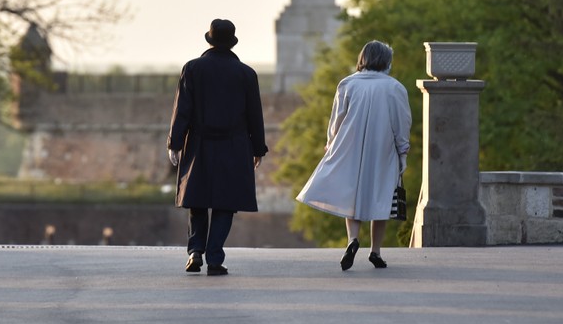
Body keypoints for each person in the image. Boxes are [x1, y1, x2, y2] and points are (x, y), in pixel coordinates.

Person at [296, 40, 410, 271]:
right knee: (381, 197)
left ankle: (352, 240)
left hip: (349, 145)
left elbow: (336, 119)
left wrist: (331, 143)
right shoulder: (394, 87)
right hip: (382, 147)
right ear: (386, 61)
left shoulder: (347, 84)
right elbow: (401, 123)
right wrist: (403, 151)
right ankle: (375, 251)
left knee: (353, 195)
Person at [166, 19, 268, 276]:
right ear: (232, 42)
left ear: (209, 41)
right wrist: (258, 148)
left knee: (197, 201)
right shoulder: (246, 74)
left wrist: (174, 143)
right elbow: (255, 115)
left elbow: (182, 111)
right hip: (234, 145)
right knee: (225, 204)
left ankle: (195, 251)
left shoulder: (192, 69)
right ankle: (214, 258)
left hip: (199, 142)